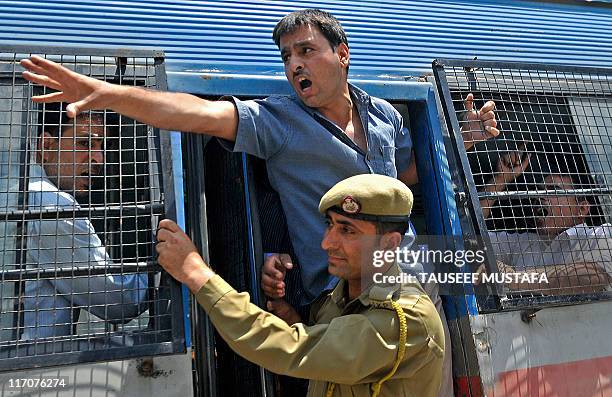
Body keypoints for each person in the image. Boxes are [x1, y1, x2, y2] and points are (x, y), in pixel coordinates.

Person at [20, 10, 496, 392]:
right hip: (338, 304)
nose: (294, 65)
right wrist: (108, 94)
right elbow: (199, 113)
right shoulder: (279, 122)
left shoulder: (386, 114)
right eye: (287, 56)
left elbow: (402, 180)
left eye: (306, 51)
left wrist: (462, 139)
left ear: (343, 54)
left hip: (411, 286)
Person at [156, 174, 445, 397]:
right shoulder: (341, 297)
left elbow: (294, 349)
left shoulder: (405, 317)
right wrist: (295, 321)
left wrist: (196, 273)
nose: (326, 242)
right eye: (329, 225)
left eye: (347, 230)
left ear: (389, 243)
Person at [22, 105, 148, 339]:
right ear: (46, 146)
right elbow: (121, 302)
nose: (98, 159)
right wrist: (166, 270)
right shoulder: (53, 205)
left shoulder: (22, 191)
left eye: (102, 147)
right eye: (85, 143)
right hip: (34, 365)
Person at [478, 149, 611, 294]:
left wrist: (514, 278)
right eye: (540, 190)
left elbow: (593, 276)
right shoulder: (523, 242)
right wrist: (500, 180)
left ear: (582, 208)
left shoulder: (600, 236)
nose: (540, 196)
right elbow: (472, 240)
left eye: (554, 190)